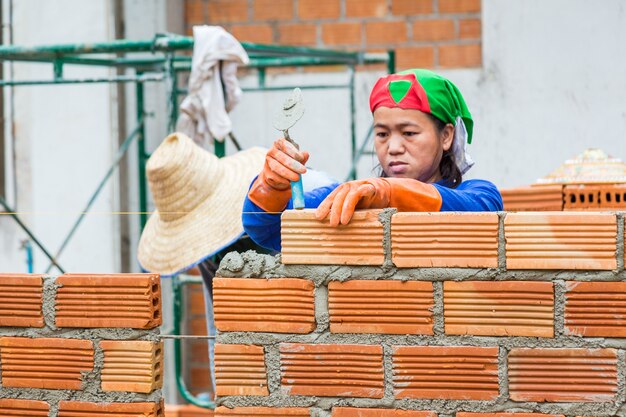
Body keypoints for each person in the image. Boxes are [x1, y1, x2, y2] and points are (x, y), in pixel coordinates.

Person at [242, 69, 503, 251]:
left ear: (446, 136)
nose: (394, 147)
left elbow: (480, 213)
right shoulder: (349, 202)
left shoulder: (478, 194)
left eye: (409, 133)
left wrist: (388, 193)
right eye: (382, 134)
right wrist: (270, 188)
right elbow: (267, 228)